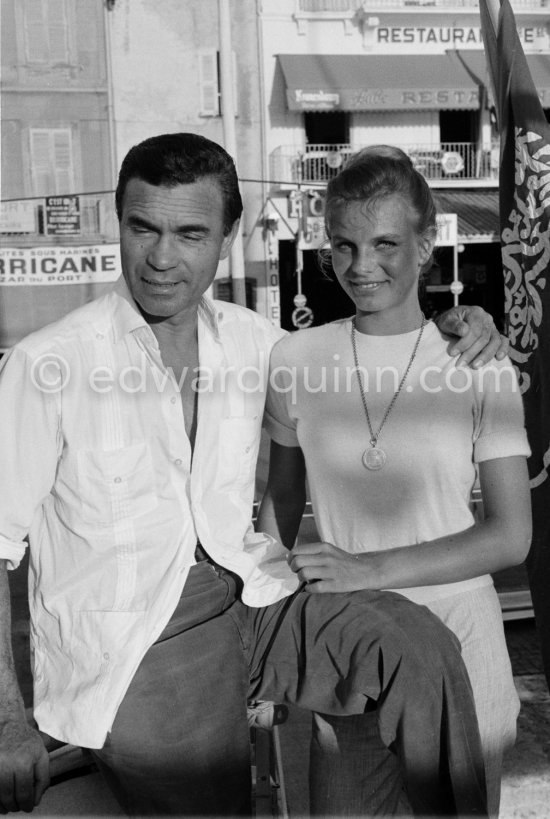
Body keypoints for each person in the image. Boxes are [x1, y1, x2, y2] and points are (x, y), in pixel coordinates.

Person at [0, 133, 506, 817]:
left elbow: (371, 343)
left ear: (229, 236)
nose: (160, 257)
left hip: (256, 590)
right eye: (142, 227)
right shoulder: (45, 364)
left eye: (189, 233)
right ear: (118, 221)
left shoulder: (257, 342)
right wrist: (7, 721)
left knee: (421, 649)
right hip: (144, 636)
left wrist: (461, 323)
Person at [258, 145, 532, 817]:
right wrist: (264, 634)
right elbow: (283, 501)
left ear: (425, 240)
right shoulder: (293, 357)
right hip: (347, 638)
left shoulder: (477, 361)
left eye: (384, 243)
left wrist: (366, 566)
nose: (362, 266)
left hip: (459, 633)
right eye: (344, 245)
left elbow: (510, 537)